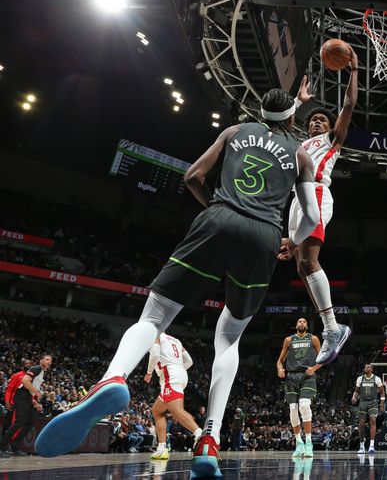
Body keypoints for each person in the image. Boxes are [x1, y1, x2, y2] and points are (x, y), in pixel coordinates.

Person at [34, 87, 322, 480]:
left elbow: (192, 176)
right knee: (230, 337)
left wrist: (218, 211)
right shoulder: (302, 156)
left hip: (217, 217)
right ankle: (209, 439)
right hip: (265, 237)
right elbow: (310, 215)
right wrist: (289, 242)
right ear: (293, 118)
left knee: (154, 317)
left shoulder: (235, 132)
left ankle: (112, 379)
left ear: (260, 111)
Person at [279, 54, 359, 365]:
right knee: (300, 266)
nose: (317, 121)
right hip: (296, 199)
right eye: (313, 119)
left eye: (322, 120)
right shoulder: (299, 143)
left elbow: (349, 106)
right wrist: (298, 103)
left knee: (310, 262)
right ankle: (331, 328)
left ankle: (332, 328)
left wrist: (354, 71)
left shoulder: (330, 141)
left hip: (316, 193)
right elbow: (277, 128)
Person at [145, 334, 202, 460]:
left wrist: (149, 373)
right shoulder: (176, 340)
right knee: (157, 411)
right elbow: (189, 361)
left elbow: (154, 355)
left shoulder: (156, 336)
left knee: (176, 411)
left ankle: (201, 436)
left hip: (170, 375)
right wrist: (178, 369)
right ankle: (161, 448)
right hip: (179, 373)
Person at [277, 317, 322, 458]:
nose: (301, 322)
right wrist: (280, 369)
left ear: (307, 326)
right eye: (299, 321)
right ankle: (298, 443)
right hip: (291, 376)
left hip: (307, 376)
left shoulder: (313, 339)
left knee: (304, 405)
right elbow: (280, 361)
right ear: (296, 325)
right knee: (293, 409)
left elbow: (323, 358)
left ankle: (308, 443)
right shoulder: (288, 340)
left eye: (304, 321)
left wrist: (314, 368)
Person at [0, 354, 52, 458]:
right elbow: (25, 381)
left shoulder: (41, 372)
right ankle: (2, 447)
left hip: (27, 397)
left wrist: (34, 400)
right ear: (41, 360)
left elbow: (29, 388)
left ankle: (15, 446)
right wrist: (36, 392)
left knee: (31, 421)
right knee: (19, 422)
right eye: (46, 359)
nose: (49, 362)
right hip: (21, 396)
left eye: (50, 361)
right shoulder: (37, 368)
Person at [351, 363, 385, 454]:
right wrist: (354, 397)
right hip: (362, 402)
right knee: (361, 424)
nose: (367, 368)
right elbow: (356, 391)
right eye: (365, 367)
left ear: (372, 369)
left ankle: (371, 446)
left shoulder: (376, 378)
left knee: (373, 420)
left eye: (369, 367)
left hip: (373, 402)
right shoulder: (360, 378)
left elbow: (382, 392)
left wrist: (382, 404)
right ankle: (362, 446)